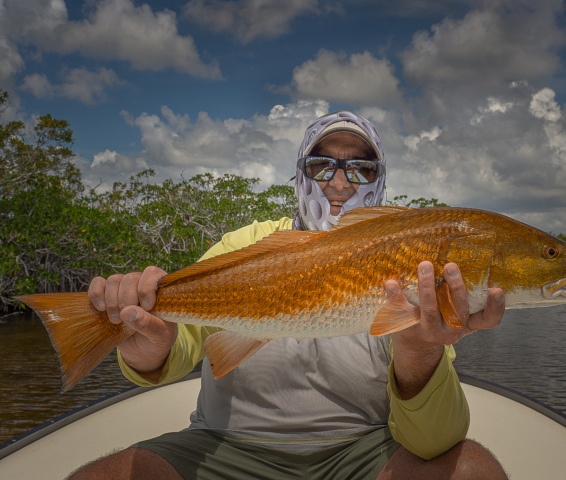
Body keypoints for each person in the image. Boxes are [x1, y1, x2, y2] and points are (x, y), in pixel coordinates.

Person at [70, 111, 508, 480]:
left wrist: (418, 350)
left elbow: (432, 441)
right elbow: (181, 343)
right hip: (225, 446)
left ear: (380, 179)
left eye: (361, 168)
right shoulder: (244, 244)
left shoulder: (419, 258)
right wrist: (149, 351)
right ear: (300, 171)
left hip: (362, 452)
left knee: (474, 471)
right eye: (323, 165)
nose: (340, 183)